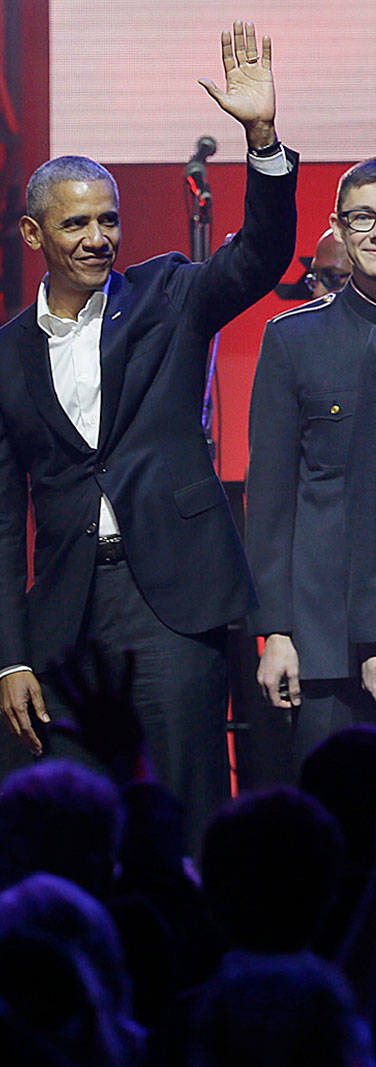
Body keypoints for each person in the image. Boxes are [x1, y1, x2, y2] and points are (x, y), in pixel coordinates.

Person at [0, 23, 297, 843]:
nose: (97, 239)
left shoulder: (170, 296)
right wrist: (7, 658)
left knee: (185, 811)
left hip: (173, 602)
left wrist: (260, 139)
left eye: (107, 221)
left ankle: (190, 963)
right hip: (69, 613)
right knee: (74, 826)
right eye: (76, 225)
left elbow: (260, 254)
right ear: (34, 234)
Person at [248, 162, 376, 760]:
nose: (375, 232)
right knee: (334, 833)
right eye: (363, 217)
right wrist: (277, 631)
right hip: (325, 647)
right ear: (339, 228)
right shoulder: (292, 340)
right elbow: (271, 502)